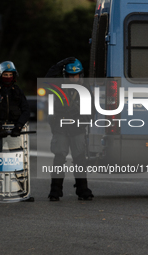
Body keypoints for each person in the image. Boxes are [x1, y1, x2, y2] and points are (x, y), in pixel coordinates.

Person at [45, 57, 94, 201]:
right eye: (71, 75)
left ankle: (82, 189)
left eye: (76, 75)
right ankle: (55, 190)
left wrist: (81, 122)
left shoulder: (85, 90)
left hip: (77, 129)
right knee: (59, 158)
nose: (74, 78)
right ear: (65, 75)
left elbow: (91, 111)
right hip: (61, 128)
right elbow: (47, 79)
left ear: (81, 75)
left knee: (80, 159)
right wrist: (59, 64)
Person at [0, 61, 30, 138]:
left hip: (15, 130)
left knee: (18, 150)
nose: (8, 77)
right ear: (0, 75)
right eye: (5, 75)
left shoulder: (17, 91)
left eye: (10, 75)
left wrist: (19, 127)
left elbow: (26, 110)